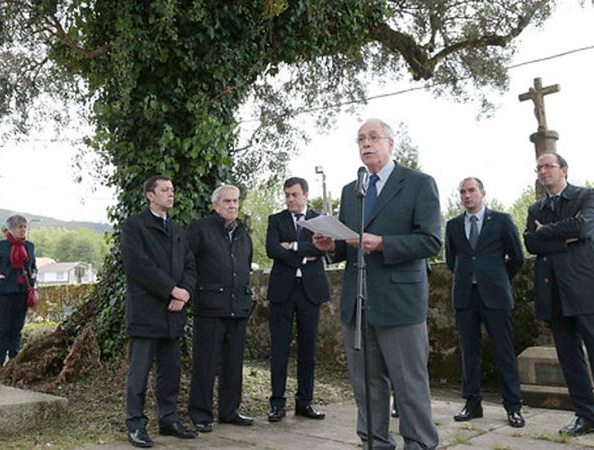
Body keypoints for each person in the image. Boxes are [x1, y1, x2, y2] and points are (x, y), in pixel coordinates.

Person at [314, 118, 440, 449]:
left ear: (390, 143)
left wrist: (383, 243)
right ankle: (374, 443)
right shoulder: (351, 189)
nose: (365, 144)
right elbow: (351, 240)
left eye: (372, 137)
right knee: (366, 385)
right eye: (360, 139)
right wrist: (332, 246)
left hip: (399, 301)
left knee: (409, 385)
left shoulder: (418, 183)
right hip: (358, 302)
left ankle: (420, 444)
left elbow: (430, 241)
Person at [524, 152, 594, 449]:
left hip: (587, 289)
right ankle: (585, 417)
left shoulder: (586, 196)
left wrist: (547, 233)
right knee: (569, 359)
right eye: (539, 168)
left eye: (548, 166)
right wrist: (562, 237)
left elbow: (584, 228)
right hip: (554, 291)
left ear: (564, 170)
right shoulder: (535, 207)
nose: (543, 171)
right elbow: (530, 242)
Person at [120, 175, 198, 448]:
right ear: (150, 195)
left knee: (170, 371)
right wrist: (171, 290)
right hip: (146, 311)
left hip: (174, 312)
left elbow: (190, 264)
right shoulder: (134, 226)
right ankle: (136, 424)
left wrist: (185, 292)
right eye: (164, 190)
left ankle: (168, 419)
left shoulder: (177, 228)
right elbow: (138, 266)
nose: (171, 194)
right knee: (139, 372)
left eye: (172, 189)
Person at [444, 177, 525, 428]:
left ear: (483, 193)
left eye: (471, 190)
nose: (467, 195)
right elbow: (451, 261)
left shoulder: (502, 220)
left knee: (504, 351)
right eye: (462, 192)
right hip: (465, 296)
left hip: (496, 296)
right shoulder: (453, 225)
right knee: (469, 352)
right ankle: (472, 403)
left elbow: (517, 258)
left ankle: (513, 407)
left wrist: (498, 278)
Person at [186, 184, 254, 432]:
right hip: (210, 307)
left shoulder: (243, 232)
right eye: (227, 201)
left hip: (238, 307)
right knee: (206, 363)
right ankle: (200, 413)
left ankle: (229, 410)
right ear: (216, 205)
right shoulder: (200, 230)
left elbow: (245, 264)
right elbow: (187, 264)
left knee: (233, 364)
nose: (233, 206)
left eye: (235, 201)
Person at [266, 176, 331, 422]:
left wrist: (292, 247)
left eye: (294, 194)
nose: (290, 199)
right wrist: (304, 255)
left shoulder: (320, 220)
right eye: (287, 195)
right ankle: (277, 403)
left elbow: (322, 249)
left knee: (308, 349)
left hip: (310, 291)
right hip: (283, 290)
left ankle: (305, 402)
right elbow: (272, 249)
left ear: (305, 194)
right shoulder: (276, 220)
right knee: (280, 349)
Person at [0, 214, 36, 371]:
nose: (23, 230)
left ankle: (14, 362)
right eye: (20, 227)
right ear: (11, 228)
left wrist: (33, 280)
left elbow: (33, 266)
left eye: (24, 227)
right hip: (4, 292)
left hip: (22, 292)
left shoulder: (29, 246)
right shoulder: (0, 246)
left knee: (17, 329)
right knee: (4, 328)